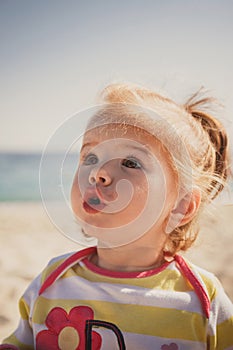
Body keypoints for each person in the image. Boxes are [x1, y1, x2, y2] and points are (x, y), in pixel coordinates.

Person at [1, 83, 233, 350]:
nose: (98, 172)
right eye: (90, 157)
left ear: (181, 206)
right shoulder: (52, 281)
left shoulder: (202, 299)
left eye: (131, 163)